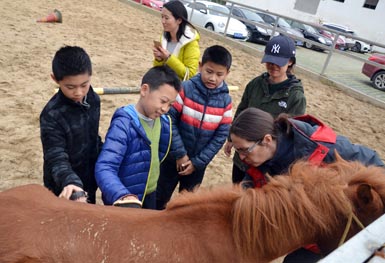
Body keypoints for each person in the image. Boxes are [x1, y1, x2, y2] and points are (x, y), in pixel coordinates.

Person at [229, 107, 384, 262]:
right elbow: (245, 193)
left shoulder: (325, 149)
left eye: (244, 150)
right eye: (237, 151)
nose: (241, 157)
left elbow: (373, 162)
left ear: (267, 140)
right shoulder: (259, 163)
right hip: (303, 234)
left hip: (334, 234)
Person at [156, 45, 233, 210]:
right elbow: (169, 119)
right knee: (160, 197)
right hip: (172, 158)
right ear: (200, 66)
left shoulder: (226, 101)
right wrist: (180, 155)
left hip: (197, 164)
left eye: (219, 74)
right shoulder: (185, 88)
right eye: (209, 71)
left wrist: (198, 162)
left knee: (188, 206)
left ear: (227, 74)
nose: (213, 78)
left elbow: (220, 135)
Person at [95, 65, 181, 210]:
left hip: (150, 191)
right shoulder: (124, 124)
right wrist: (121, 195)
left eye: (170, 104)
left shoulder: (164, 122)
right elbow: (105, 166)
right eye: (163, 101)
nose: (165, 109)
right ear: (144, 90)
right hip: (126, 199)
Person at [224, 34, 306, 184]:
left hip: (265, 164)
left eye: (278, 62)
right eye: (270, 61)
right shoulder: (255, 84)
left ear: (290, 62)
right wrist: (231, 138)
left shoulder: (295, 97)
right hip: (242, 157)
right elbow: (241, 111)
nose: (273, 66)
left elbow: (293, 134)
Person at [40, 46, 102, 204]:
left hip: (89, 178)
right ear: (55, 79)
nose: (79, 93)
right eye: (70, 87)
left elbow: (94, 137)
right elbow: (55, 155)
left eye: (84, 84)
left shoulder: (93, 99)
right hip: (64, 185)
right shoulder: (52, 115)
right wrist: (69, 181)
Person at [153, 0, 200, 81]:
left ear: (179, 20)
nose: (163, 21)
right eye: (162, 17)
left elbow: (189, 74)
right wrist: (159, 59)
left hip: (178, 89)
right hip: (162, 84)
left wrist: (169, 58)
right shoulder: (164, 38)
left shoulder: (191, 42)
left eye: (166, 18)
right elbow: (157, 69)